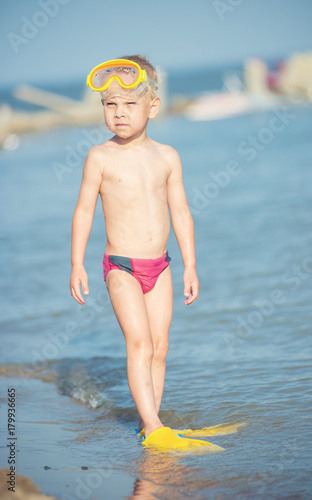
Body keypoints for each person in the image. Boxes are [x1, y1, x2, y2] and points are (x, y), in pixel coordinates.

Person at [70, 56, 220, 452]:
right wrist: (76, 264)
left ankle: (148, 420)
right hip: (120, 266)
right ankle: (154, 425)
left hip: (162, 265)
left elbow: (182, 211)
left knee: (159, 345)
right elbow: (84, 210)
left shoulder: (168, 156)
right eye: (109, 104)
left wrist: (190, 265)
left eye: (129, 104)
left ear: (152, 106)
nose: (118, 113)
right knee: (138, 341)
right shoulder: (99, 157)